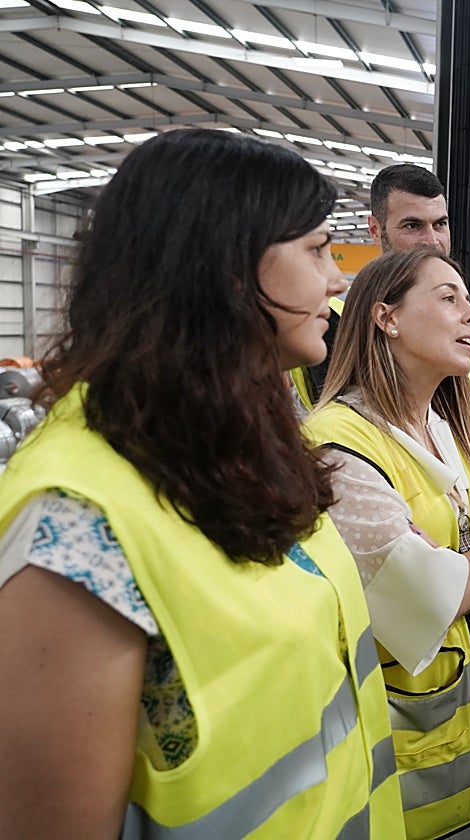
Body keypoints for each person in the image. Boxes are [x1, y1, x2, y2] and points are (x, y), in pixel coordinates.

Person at [0, 129, 403, 838]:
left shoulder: (245, 441)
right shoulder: (77, 522)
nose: (337, 280)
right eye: (315, 251)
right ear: (225, 267)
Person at [305, 247, 470, 840]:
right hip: (405, 772)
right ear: (386, 318)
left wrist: (467, 576)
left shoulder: (467, 430)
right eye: (449, 298)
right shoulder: (338, 446)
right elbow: (427, 599)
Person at [294, 164, 470, 459]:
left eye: (440, 224)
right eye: (413, 225)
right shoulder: (334, 318)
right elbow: (377, 423)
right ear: (375, 229)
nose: (432, 241)